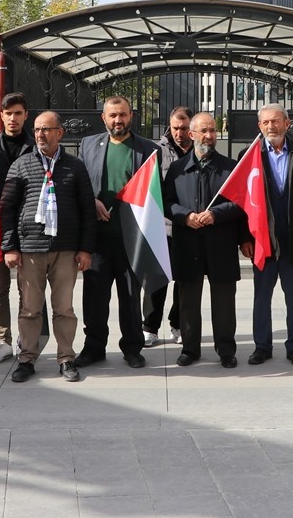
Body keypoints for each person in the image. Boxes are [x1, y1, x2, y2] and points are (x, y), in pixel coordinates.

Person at [0, 111, 97, 383]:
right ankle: (26, 359)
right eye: (38, 129)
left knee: (64, 308)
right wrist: (9, 246)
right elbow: (6, 209)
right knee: (30, 309)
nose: (41, 134)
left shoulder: (75, 167)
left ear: (60, 133)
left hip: (65, 250)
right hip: (29, 250)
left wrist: (85, 248)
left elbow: (87, 210)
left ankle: (66, 358)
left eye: (47, 129)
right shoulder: (21, 165)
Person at [76, 96, 161, 369]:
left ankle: (133, 348)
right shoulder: (88, 145)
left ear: (131, 116)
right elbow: (79, 185)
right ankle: (94, 347)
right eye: (112, 115)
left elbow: (155, 193)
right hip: (98, 239)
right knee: (95, 298)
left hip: (131, 238)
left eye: (122, 114)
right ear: (104, 118)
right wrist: (91, 201)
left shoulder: (147, 149)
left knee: (130, 297)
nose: (117, 120)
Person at [162, 112, 245, 368]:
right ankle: (190, 348)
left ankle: (226, 349)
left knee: (224, 300)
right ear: (191, 134)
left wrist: (216, 214)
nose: (209, 136)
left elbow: (241, 202)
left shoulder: (231, 168)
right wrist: (185, 216)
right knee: (188, 301)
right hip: (188, 244)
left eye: (212, 131)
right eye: (203, 131)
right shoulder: (177, 169)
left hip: (221, 244)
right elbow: (166, 203)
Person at [246, 105, 293, 367]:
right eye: (265, 122)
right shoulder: (249, 156)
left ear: (287, 124)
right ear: (259, 126)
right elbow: (244, 203)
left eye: (275, 121)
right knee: (261, 298)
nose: (270, 127)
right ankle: (262, 346)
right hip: (263, 242)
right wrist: (245, 237)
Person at [0, 92, 37, 364]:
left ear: (26, 115)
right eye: (8, 113)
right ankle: (3, 340)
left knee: (29, 287)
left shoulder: (35, 145)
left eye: (18, 113)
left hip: (29, 226)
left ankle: (28, 338)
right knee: (0, 287)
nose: (13, 118)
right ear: (1, 115)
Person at [143, 105, 193, 348]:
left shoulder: (200, 150)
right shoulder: (156, 152)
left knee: (184, 281)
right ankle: (150, 327)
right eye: (175, 128)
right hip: (161, 227)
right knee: (156, 281)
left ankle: (178, 324)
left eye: (184, 128)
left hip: (189, 227)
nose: (180, 133)